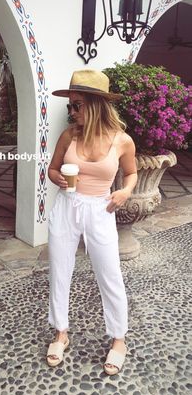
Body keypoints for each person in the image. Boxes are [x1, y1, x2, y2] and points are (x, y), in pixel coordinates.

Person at [47, 69, 137, 375]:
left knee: (109, 274)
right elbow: (52, 169)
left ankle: (119, 339)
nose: (71, 112)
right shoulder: (68, 135)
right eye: (70, 106)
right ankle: (61, 332)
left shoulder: (122, 141)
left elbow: (132, 173)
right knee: (60, 270)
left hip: (101, 210)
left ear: (97, 104)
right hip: (67, 206)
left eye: (77, 105)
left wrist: (124, 191)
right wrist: (57, 177)